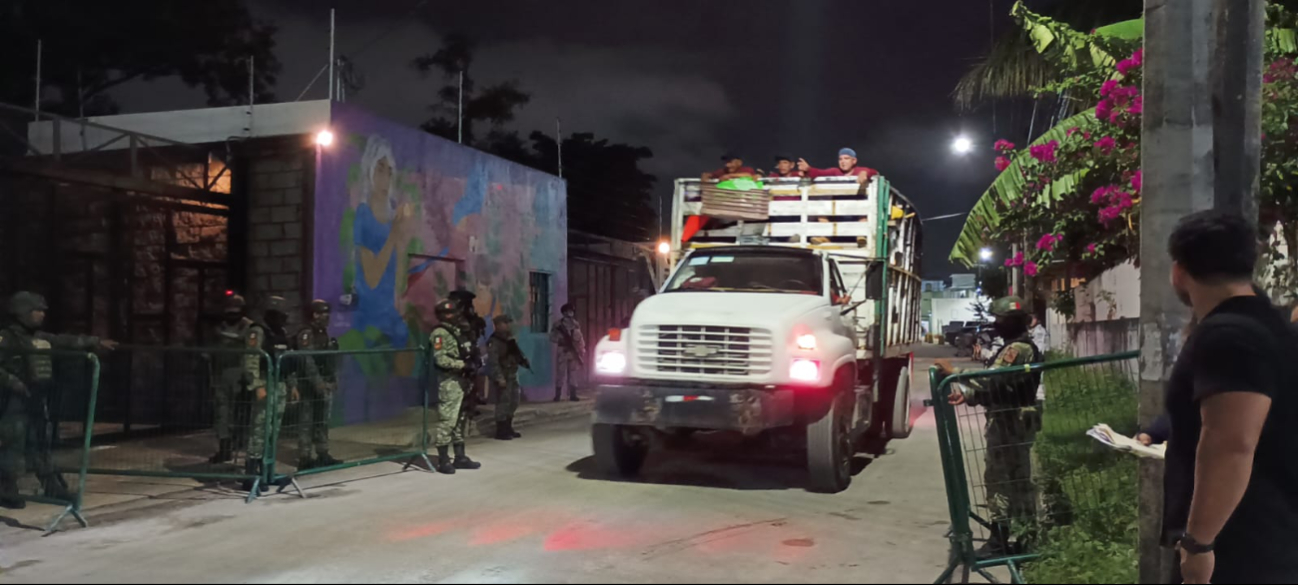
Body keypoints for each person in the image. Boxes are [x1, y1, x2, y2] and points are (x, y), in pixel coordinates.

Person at [1160, 211, 1298, 584]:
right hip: (1271, 536)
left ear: (1179, 271)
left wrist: (1199, 544)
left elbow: (1231, 443)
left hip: (1239, 547)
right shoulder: (1271, 325)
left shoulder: (1229, 335)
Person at [935, 296, 1042, 558]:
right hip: (1012, 419)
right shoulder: (1016, 347)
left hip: (1009, 422)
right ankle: (1026, 536)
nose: (996, 324)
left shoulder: (1017, 349)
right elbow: (1001, 386)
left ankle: (1000, 540)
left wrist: (955, 373)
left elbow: (992, 378)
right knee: (1016, 479)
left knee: (1000, 480)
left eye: (1000, 320)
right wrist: (969, 396)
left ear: (1012, 322)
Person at [0, 292, 116, 509]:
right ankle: (6, 490)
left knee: (40, 446)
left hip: (36, 399)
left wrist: (95, 342)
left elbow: (66, 341)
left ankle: (53, 488)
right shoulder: (6, 339)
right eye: (37, 310)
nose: (42, 314)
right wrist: (12, 382)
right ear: (22, 312)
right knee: (12, 447)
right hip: (13, 402)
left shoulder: (41, 338)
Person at [243, 296, 294, 493]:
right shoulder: (258, 331)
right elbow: (251, 360)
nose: (285, 317)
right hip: (265, 382)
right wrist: (257, 386)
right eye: (282, 313)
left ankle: (268, 472)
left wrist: (292, 385)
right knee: (260, 429)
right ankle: (251, 475)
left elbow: (286, 360)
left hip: (279, 384)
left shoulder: (280, 332)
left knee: (273, 430)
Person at [429, 299, 481, 475]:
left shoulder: (460, 331)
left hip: (464, 381)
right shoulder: (439, 334)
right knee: (447, 421)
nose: (454, 316)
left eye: (454, 312)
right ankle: (443, 460)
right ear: (441, 315)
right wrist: (462, 365)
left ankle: (460, 457)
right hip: (450, 381)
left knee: (460, 420)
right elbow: (440, 359)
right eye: (449, 313)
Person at [208, 293, 259, 465]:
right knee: (222, 412)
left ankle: (243, 447)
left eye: (235, 312)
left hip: (240, 374)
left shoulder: (249, 326)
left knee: (241, 413)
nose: (231, 315)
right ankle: (225, 447)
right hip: (222, 374)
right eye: (229, 311)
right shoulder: (220, 326)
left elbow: (249, 344)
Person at [293, 300, 343, 471]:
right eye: (322, 313)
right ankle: (304, 457)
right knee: (306, 421)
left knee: (322, 420)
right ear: (314, 314)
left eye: (327, 312)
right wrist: (318, 382)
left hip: (325, 381)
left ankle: (323, 453)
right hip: (309, 384)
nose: (326, 316)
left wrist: (333, 379)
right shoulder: (306, 333)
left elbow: (329, 358)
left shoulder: (323, 332)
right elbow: (307, 360)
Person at [488, 314, 530, 441]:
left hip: (512, 373)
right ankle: (501, 430)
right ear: (498, 325)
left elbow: (515, 354)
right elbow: (493, 362)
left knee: (514, 401)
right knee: (503, 402)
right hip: (503, 374)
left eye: (508, 323)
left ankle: (508, 427)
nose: (508, 325)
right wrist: (499, 377)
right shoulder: (494, 341)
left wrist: (523, 361)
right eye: (505, 323)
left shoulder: (509, 339)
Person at [550, 304, 586, 402]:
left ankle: (573, 395)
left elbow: (580, 339)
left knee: (573, 373)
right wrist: (561, 340)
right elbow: (552, 337)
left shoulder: (576, 324)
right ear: (564, 312)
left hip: (573, 352)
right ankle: (558, 395)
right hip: (563, 351)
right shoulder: (558, 325)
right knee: (560, 373)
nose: (570, 313)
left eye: (572, 311)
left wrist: (581, 350)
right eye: (568, 311)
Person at [797, 148, 879, 184]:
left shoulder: (860, 170)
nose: (843, 162)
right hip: (839, 206)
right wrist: (808, 169)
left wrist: (865, 173)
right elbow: (819, 172)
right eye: (840, 159)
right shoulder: (835, 171)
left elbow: (874, 172)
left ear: (854, 161)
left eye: (846, 158)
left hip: (858, 205)